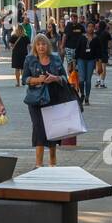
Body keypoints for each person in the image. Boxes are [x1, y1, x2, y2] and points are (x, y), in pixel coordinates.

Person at [22, 33, 69, 168]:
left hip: (54, 99)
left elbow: (65, 79)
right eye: (38, 44)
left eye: (43, 44)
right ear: (35, 46)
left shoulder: (55, 59)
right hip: (36, 100)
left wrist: (55, 78)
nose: (41, 46)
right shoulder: (30, 59)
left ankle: (53, 163)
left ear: (48, 45)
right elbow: (25, 79)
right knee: (39, 129)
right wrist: (38, 80)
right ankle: (38, 164)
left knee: (53, 130)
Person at [74, 27, 96, 106]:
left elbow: (98, 51)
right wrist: (74, 62)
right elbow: (77, 49)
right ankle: (82, 94)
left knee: (88, 80)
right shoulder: (82, 37)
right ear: (86, 28)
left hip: (91, 60)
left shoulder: (96, 38)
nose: (90, 28)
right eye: (89, 26)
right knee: (81, 79)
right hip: (81, 60)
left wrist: (99, 62)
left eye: (92, 27)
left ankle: (87, 97)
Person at [92, 19, 111, 88]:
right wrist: (109, 51)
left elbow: (93, 43)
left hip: (97, 52)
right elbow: (110, 44)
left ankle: (98, 80)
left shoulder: (96, 33)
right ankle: (102, 83)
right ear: (105, 26)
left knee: (97, 67)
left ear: (99, 26)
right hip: (104, 51)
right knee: (104, 67)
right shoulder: (107, 33)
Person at [10, 23, 29, 88]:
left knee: (17, 69)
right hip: (24, 53)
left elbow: (11, 45)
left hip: (16, 54)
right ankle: (23, 81)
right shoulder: (25, 36)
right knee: (23, 68)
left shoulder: (14, 36)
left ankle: (18, 83)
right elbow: (28, 46)